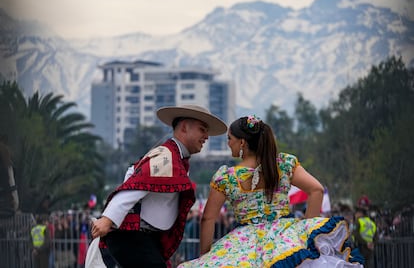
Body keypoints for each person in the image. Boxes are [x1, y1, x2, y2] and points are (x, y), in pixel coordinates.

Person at [178, 115, 364, 267]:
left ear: (242, 142)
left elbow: (208, 218)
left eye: (230, 139)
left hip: (243, 245)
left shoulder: (226, 177)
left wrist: (206, 256)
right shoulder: (283, 164)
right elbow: (316, 190)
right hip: (285, 238)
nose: (228, 143)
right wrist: (306, 232)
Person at [89, 105, 227, 268]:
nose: (206, 137)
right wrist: (107, 219)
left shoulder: (173, 157)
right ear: (184, 127)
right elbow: (134, 187)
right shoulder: (166, 157)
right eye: (202, 130)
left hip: (142, 238)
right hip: (131, 237)